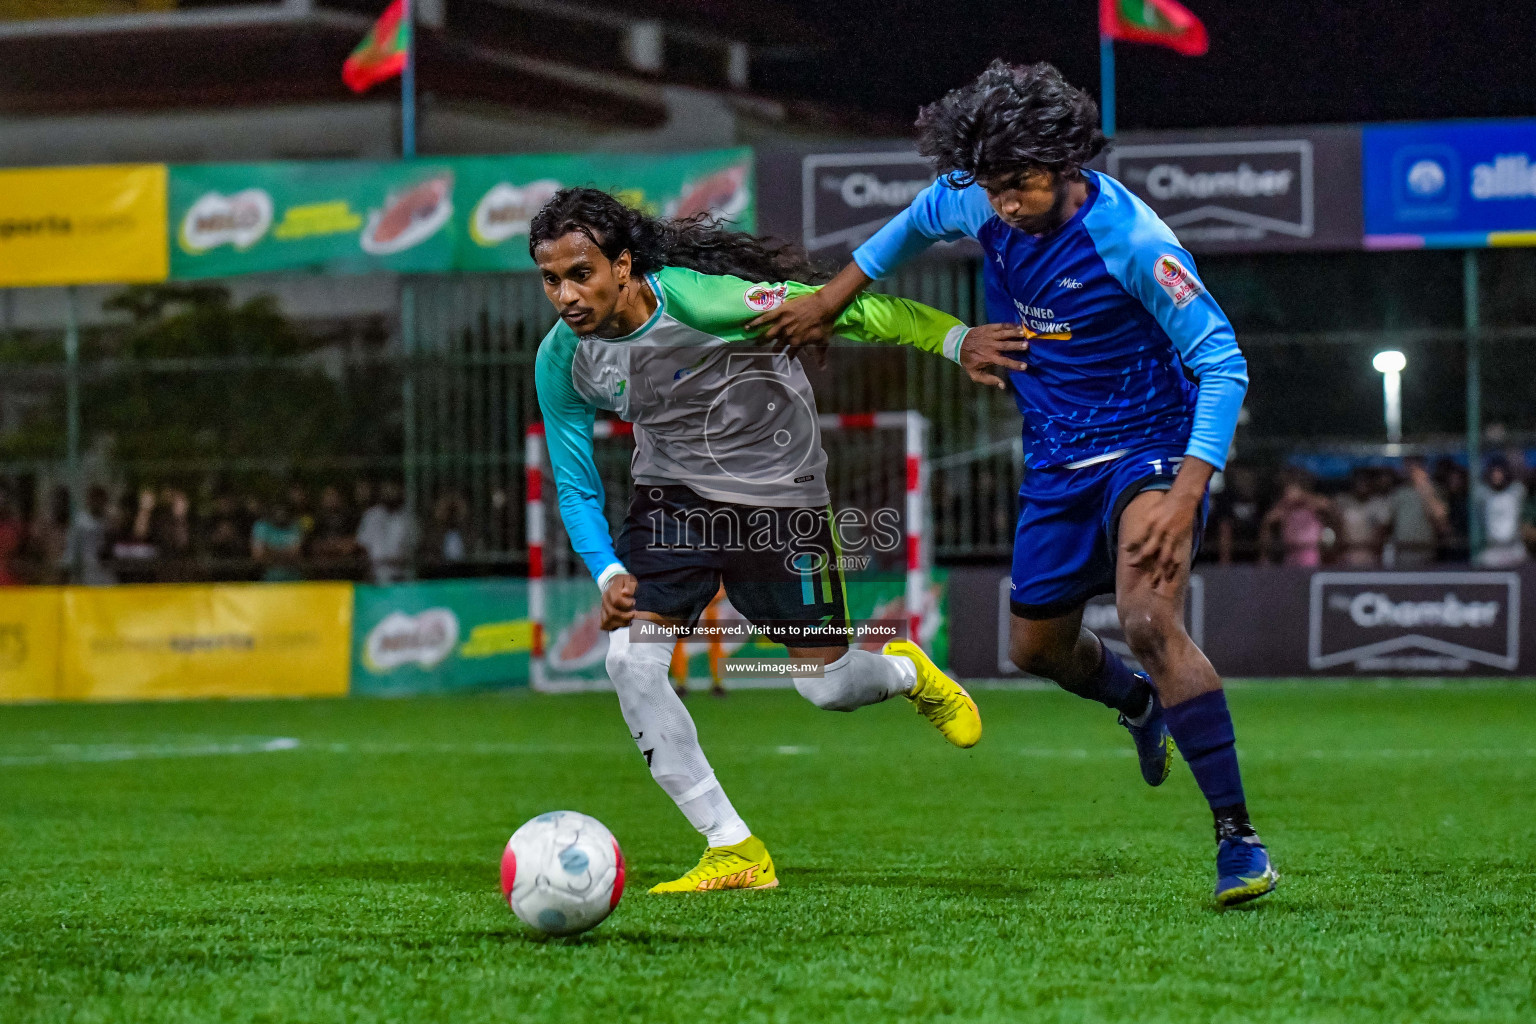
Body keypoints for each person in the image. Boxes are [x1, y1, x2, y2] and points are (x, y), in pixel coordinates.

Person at [752, 62, 1274, 906]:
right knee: (1035, 651)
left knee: (1146, 617)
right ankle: (1136, 705)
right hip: (1058, 457)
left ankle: (1238, 840)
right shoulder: (979, 195)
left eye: (1020, 186)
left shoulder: (1133, 241)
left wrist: (1182, 494)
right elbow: (907, 228)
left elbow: (1223, 363)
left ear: (1067, 165)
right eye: (992, 187)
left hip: (1150, 444)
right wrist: (827, 301)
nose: (1003, 204)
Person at [531, 187, 991, 894]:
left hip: (783, 499)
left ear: (623, 267)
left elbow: (849, 308)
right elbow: (576, 484)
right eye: (550, 279)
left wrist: (955, 340)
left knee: (826, 687)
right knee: (630, 662)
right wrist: (606, 571)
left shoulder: (702, 303)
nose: (565, 294)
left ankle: (904, 672)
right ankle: (731, 846)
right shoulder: (562, 360)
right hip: (673, 503)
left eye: (580, 274)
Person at [1259, 471, 1335, 567]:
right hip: (1290, 554)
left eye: (1292, 489)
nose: (1289, 493)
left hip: (1311, 554)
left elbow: (1328, 507)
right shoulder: (1283, 507)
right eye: (1287, 490)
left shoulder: (1314, 504)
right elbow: (1269, 520)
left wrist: (1303, 498)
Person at [1385, 456, 1449, 567]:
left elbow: (1441, 519)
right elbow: (1388, 523)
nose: (1411, 470)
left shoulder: (1435, 490)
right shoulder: (1398, 492)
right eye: (1408, 466)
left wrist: (1425, 489)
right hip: (1403, 553)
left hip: (1427, 552)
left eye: (1415, 467)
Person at [356, 481, 417, 584]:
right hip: (376, 576)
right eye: (387, 490)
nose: (390, 494)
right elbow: (362, 545)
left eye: (394, 490)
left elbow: (415, 546)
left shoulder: (408, 518)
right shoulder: (371, 515)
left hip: (402, 576)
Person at [1475, 457, 1528, 568]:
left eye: (1499, 472)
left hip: (1514, 548)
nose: (1497, 476)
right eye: (1494, 472)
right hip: (1492, 549)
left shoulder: (1517, 491)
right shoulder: (1483, 494)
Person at [1334, 467, 1391, 567]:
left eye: (1365, 481)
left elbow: (1381, 534)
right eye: (1359, 481)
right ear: (1352, 483)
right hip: (1346, 556)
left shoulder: (1380, 504)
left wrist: (1370, 548)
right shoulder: (1342, 501)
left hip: (1371, 558)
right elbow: (1337, 528)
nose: (1362, 484)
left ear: (1372, 483)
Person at [1211, 465, 1263, 564]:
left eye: (1249, 477)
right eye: (1242, 476)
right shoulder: (1225, 500)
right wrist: (1225, 563)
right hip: (1226, 561)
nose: (1245, 481)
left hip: (1255, 560)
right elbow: (1224, 528)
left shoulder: (1262, 501)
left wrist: (1264, 559)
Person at [250, 499, 306, 582]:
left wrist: (269, 550)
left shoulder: (295, 526)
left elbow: (296, 554)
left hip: (294, 579)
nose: (280, 513)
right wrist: (285, 552)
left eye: (283, 510)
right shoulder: (261, 526)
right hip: (266, 579)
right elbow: (258, 556)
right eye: (278, 510)